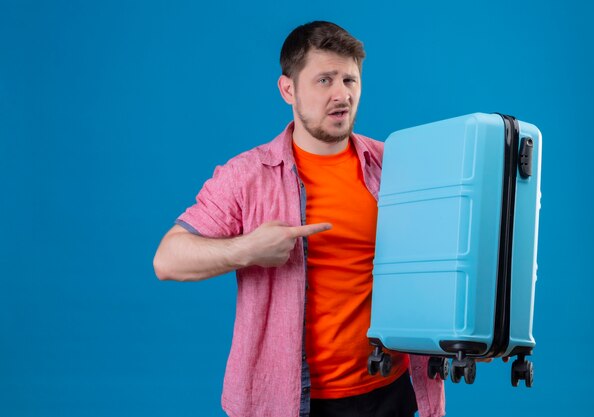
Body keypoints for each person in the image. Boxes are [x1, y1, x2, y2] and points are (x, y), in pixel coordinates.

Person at [153, 21, 445, 417]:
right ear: (288, 89)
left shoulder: (393, 163)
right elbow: (168, 259)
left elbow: (436, 263)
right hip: (291, 402)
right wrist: (249, 249)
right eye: (324, 80)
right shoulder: (248, 175)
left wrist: (464, 336)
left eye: (350, 80)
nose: (342, 94)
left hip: (390, 393)